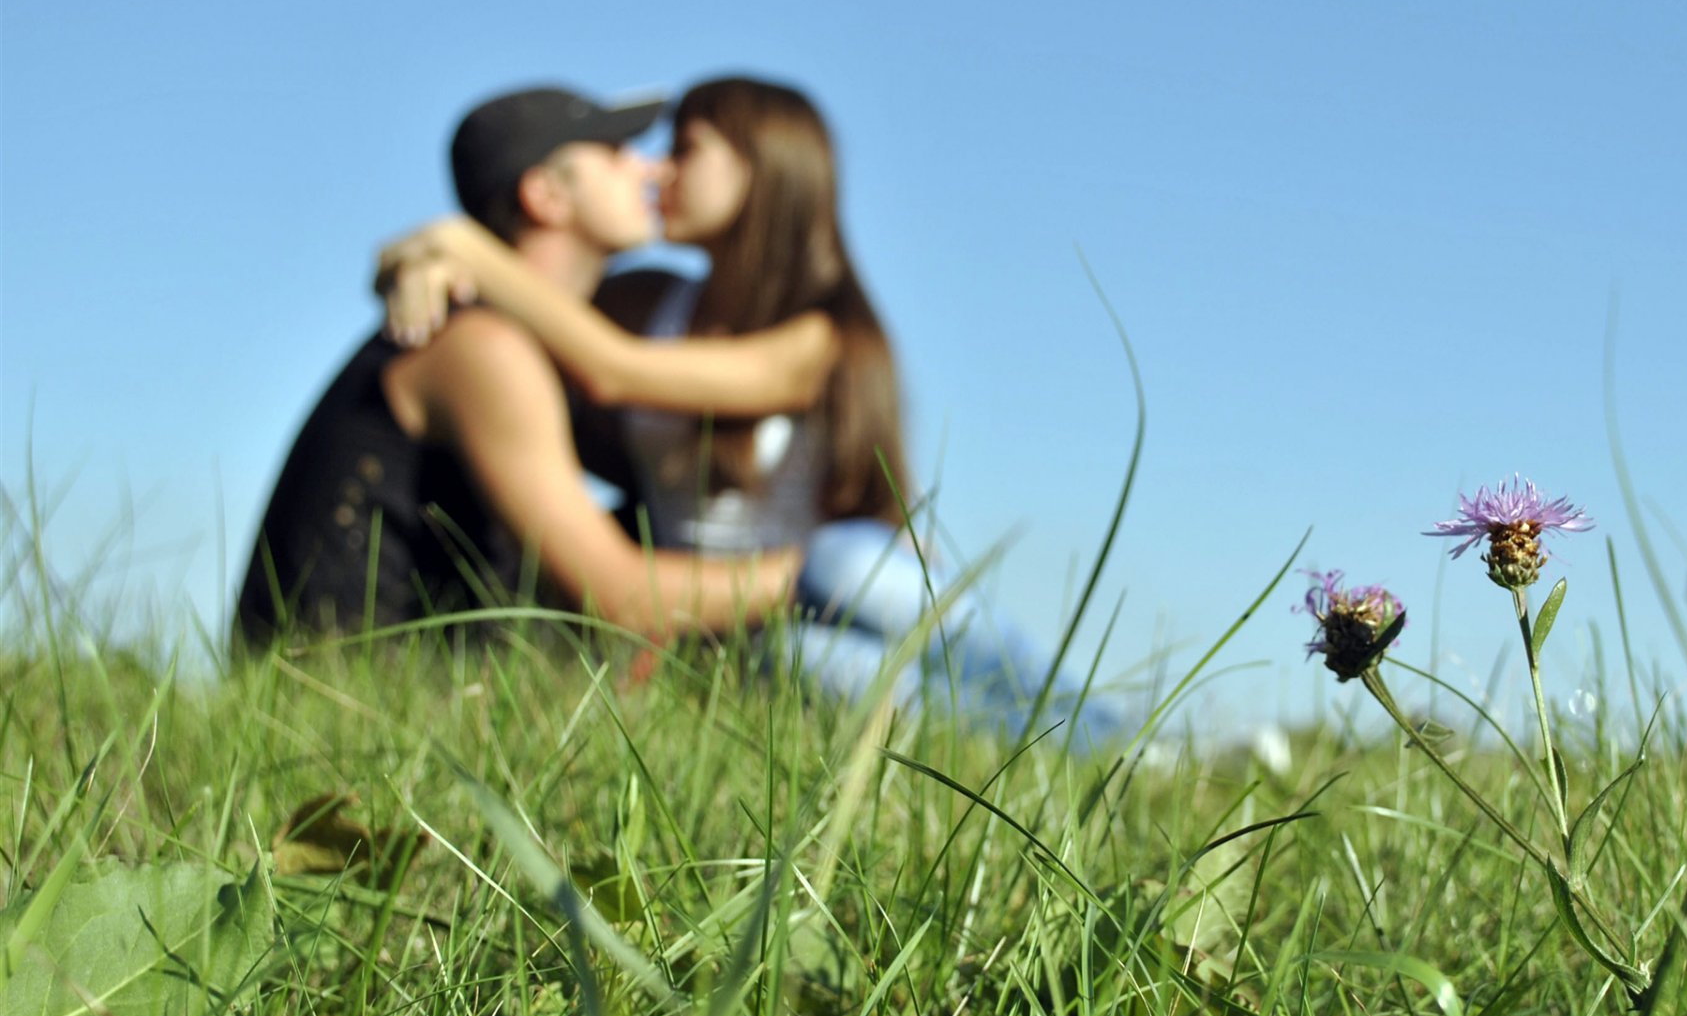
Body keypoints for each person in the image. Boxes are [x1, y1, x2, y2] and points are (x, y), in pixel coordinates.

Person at [382, 77, 1125, 744]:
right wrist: (431, 267)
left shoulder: (816, 339)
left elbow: (613, 372)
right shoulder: (643, 300)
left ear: (762, 167)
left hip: (835, 585)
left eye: (687, 149)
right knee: (816, 669)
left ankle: (1104, 735)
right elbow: (556, 317)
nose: (658, 171)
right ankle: (1053, 751)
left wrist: (466, 248)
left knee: (844, 564)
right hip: (730, 622)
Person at [233, 85, 830, 650]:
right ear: (546, 194)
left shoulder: (522, 330)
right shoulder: (484, 348)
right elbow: (624, 597)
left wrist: (446, 256)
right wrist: (821, 568)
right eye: (617, 153)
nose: (648, 168)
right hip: (347, 704)